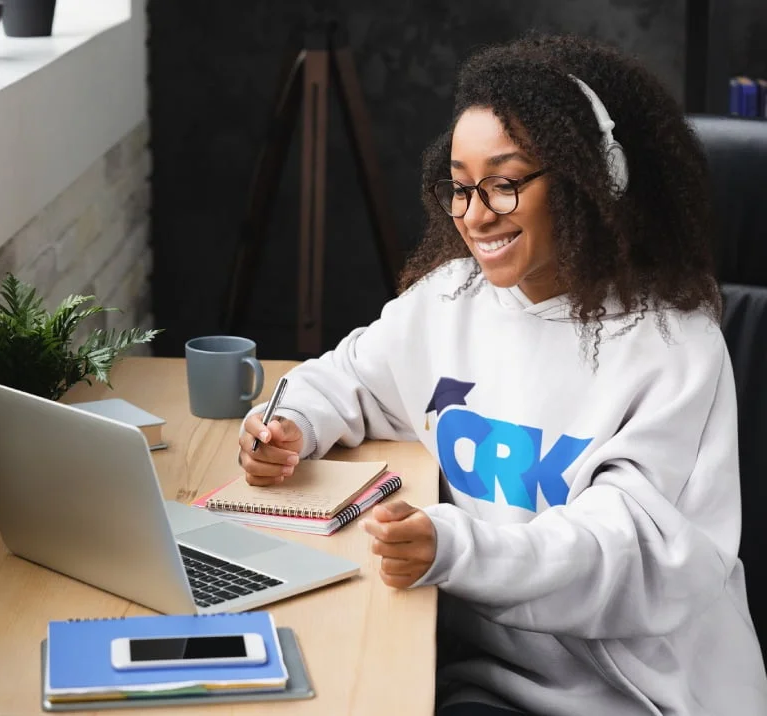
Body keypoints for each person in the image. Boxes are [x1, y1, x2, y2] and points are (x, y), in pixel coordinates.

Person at [237, 33, 767, 716]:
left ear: (588, 179)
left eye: (506, 183)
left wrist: (454, 548)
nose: (476, 214)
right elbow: (351, 378)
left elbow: (627, 553)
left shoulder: (673, 343)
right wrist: (289, 424)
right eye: (459, 187)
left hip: (637, 697)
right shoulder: (449, 299)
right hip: (484, 677)